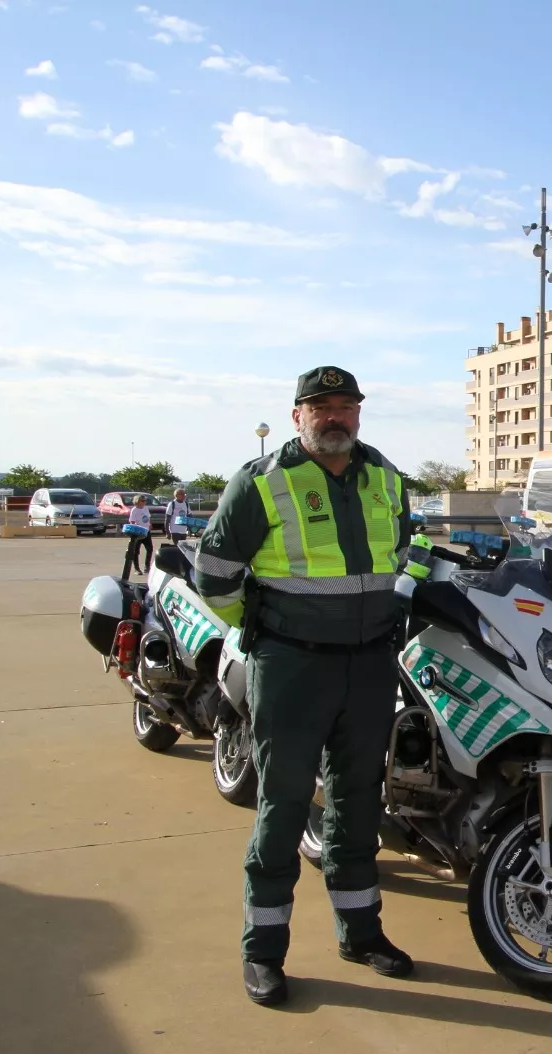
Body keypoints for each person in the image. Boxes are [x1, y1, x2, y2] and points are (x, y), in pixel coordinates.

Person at [195, 366, 414, 1007]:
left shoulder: (386, 477)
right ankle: (263, 953)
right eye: (321, 408)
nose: (335, 417)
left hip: (370, 666)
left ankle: (361, 934)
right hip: (292, 667)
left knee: (355, 807)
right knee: (284, 807)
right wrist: (265, 633)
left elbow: (402, 555)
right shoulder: (262, 481)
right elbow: (214, 575)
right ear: (298, 416)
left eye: (346, 406)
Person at [124, 494, 154, 575]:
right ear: (137, 501)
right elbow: (132, 521)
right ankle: (137, 569)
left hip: (146, 531)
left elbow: (148, 517)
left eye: (145, 501)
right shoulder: (134, 510)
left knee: (150, 549)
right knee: (136, 551)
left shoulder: (146, 508)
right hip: (138, 532)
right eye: (142, 501)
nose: (144, 502)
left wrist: (149, 524)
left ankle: (147, 567)